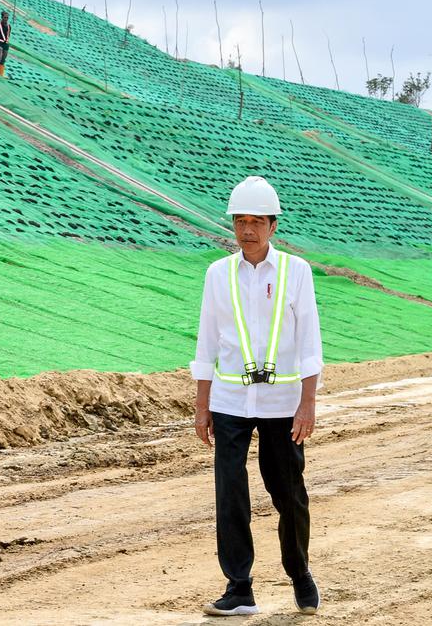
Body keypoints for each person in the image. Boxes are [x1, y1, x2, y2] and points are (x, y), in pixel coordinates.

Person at [191, 176, 322, 618]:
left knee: (288, 493)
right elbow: (207, 342)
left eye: (256, 221)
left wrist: (308, 402)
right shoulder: (217, 274)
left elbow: (309, 343)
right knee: (230, 494)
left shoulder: (295, 272)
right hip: (229, 402)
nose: (247, 228)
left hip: (283, 405)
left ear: (272, 225)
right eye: (240, 220)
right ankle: (239, 587)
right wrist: (201, 404)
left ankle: (299, 573)